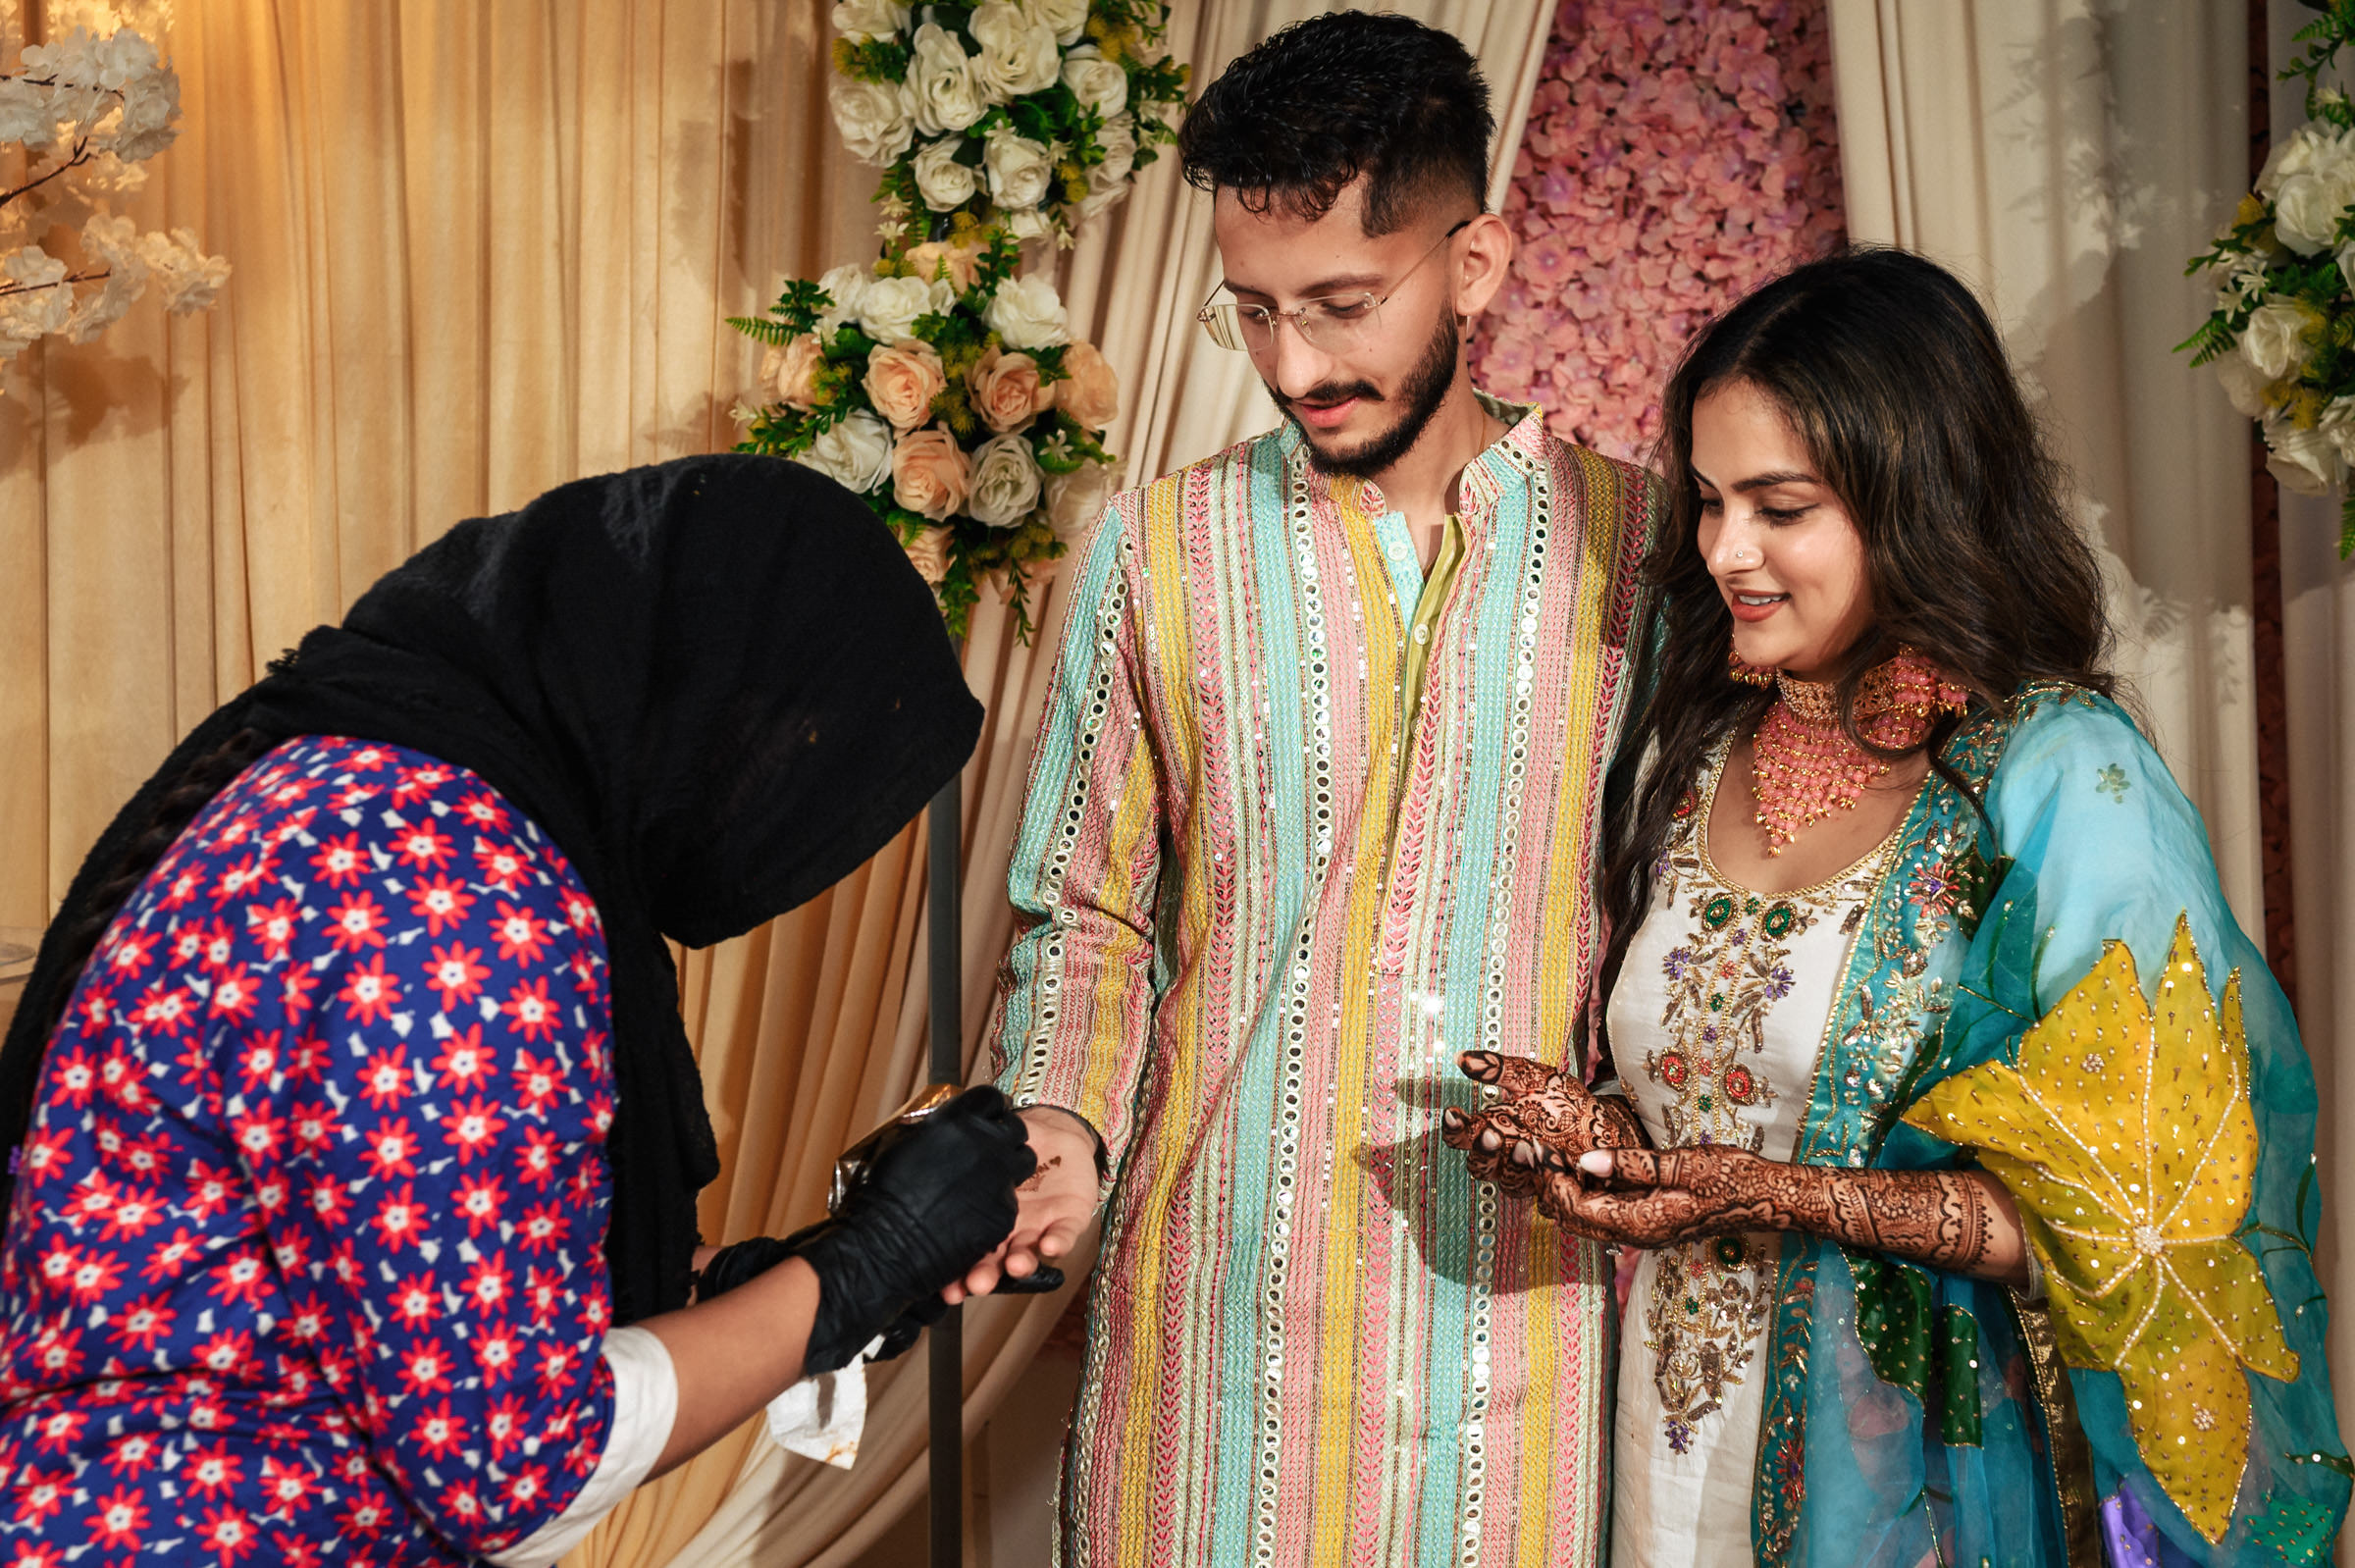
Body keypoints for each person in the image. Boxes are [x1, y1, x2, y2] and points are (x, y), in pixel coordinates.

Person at [1444, 248, 2348, 1565]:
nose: (1724, 551)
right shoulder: (1694, 748)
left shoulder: (2053, 778)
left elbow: (2158, 1205)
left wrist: (1787, 1194)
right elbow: (1722, 1098)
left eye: (1780, 506)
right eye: (1706, 500)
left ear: (1912, 499)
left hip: (1916, 1472)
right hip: (1667, 1447)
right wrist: (1607, 1142)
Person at [0, 455, 1038, 1566]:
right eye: (789, 755)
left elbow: (392, 1284)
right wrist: (857, 1271)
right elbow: (517, 1468)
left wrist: (780, 1292)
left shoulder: (377, 798)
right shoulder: (450, 902)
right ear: (692, 693)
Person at [946, 13, 1663, 1564]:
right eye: (1252, 315)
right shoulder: (1158, 550)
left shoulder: (1649, 556)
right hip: (1213, 1345)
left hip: (1524, 1355)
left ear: (1475, 262)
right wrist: (1059, 1118)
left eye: (1343, 304)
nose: (1296, 366)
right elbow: (1083, 905)